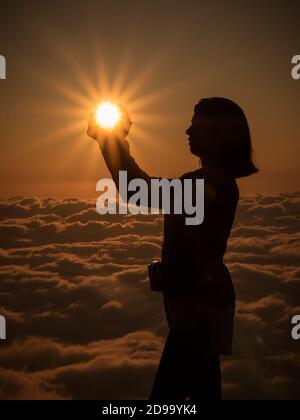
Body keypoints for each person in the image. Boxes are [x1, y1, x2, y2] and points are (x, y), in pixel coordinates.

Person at [87, 97, 258, 400]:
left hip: (195, 321)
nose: (187, 130)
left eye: (197, 124)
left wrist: (110, 139)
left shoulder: (205, 186)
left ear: (218, 133)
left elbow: (136, 190)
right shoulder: (215, 183)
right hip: (200, 315)